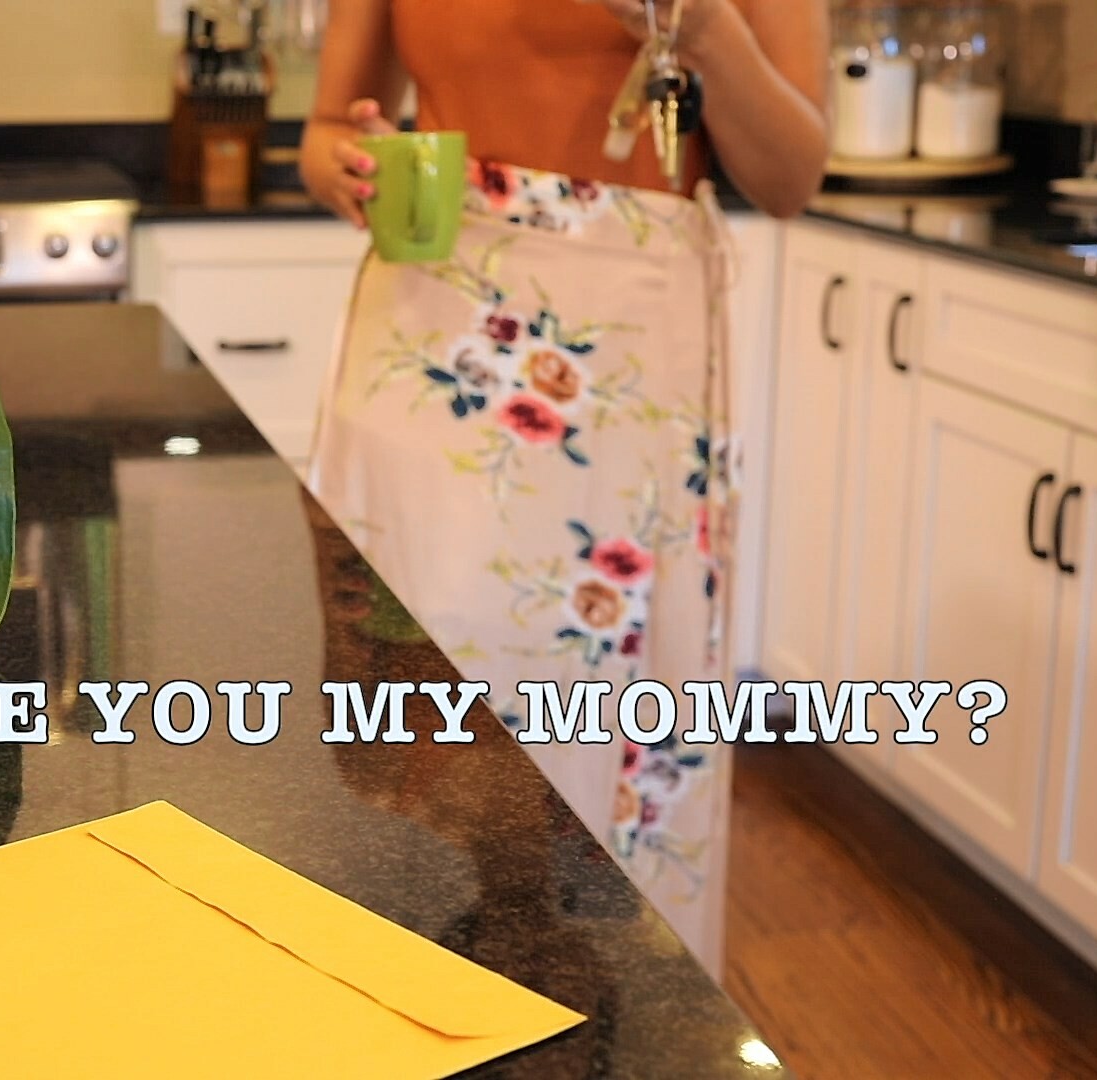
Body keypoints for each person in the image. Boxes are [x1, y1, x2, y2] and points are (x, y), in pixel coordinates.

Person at [299, 0, 828, 965]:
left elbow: (791, 177)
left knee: (601, 682)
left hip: (629, 339)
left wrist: (707, 32)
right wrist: (340, 160)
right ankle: (417, 963)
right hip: (429, 319)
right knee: (420, 656)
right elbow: (327, 127)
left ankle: (608, 985)